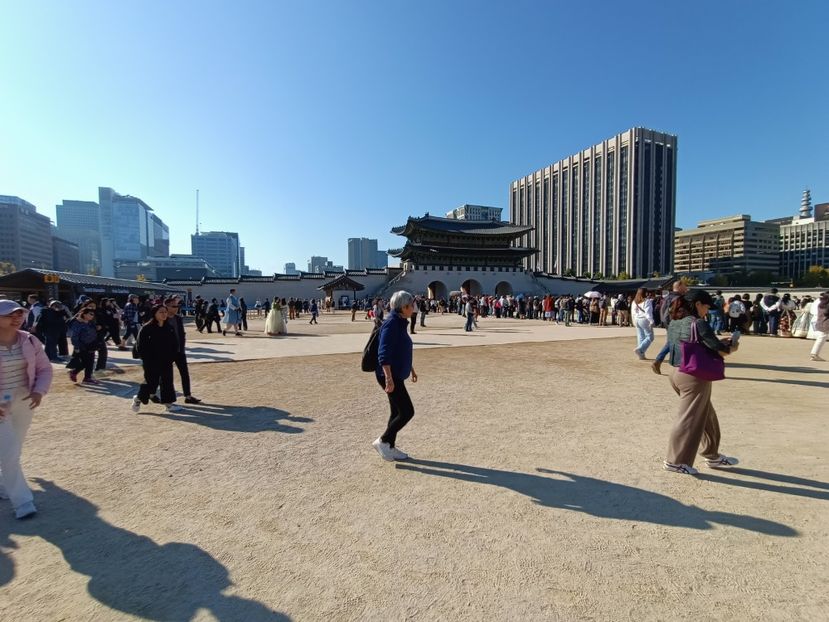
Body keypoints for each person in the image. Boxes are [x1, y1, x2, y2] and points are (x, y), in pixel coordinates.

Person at [663, 290, 738, 475]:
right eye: (706, 306)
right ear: (697, 304)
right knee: (689, 419)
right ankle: (675, 461)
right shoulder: (699, 323)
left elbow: (686, 343)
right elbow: (720, 350)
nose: (707, 310)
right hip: (693, 376)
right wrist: (732, 345)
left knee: (706, 416)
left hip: (676, 372)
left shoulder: (674, 322)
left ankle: (712, 454)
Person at [0, 300, 53, 519]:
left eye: (20, 314)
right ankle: (23, 502)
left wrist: (39, 391)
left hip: (24, 400)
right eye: (9, 314)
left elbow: (45, 369)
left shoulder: (30, 340)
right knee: (10, 451)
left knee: (14, 448)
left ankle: (4, 484)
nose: (17, 318)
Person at [372, 291, 418, 462]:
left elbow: (400, 349)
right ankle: (383, 441)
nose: (414, 307)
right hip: (389, 375)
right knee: (407, 411)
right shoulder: (392, 323)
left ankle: (389, 446)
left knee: (396, 412)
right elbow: (383, 354)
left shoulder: (399, 322)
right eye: (411, 305)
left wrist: (411, 369)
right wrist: (389, 379)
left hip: (395, 373)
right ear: (403, 307)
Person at [131, 305, 180, 413]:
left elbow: (174, 343)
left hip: (166, 360)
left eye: (165, 312)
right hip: (151, 361)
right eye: (161, 312)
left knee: (167, 381)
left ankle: (168, 403)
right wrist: (147, 359)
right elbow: (140, 346)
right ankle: (138, 398)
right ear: (154, 314)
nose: (164, 314)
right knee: (151, 382)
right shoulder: (147, 328)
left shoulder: (169, 327)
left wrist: (172, 356)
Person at [162, 297, 202, 404]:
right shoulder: (162, 320)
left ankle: (188, 396)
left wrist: (182, 347)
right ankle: (166, 399)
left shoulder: (178, 318)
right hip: (167, 352)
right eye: (174, 306)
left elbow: (181, 334)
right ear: (166, 307)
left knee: (185, 373)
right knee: (166, 376)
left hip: (180, 351)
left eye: (177, 306)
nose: (176, 308)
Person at [650, 281, 688, 375]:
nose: (686, 288)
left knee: (671, 341)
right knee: (675, 342)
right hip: (676, 323)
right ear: (679, 286)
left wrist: (665, 323)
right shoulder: (679, 298)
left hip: (668, 323)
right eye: (684, 286)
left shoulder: (667, 297)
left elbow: (662, 311)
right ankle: (662, 361)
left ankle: (660, 361)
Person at [66, 307, 99, 384]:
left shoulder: (90, 323)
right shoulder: (78, 323)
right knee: (86, 362)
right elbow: (74, 336)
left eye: (93, 314)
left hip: (91, 344)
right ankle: (75, 372)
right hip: (82, 345)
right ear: (84, 314)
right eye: (90, 314)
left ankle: (87, 377)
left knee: (90, 361)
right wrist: (77, 347)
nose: (92, 316)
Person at [630, 288, 654, 360]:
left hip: (636, 319)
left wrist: (633, 321)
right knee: (650, 337)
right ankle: (640, 349)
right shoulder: (647, 301)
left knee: (641, 336)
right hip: (644, 319)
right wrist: (651, 321)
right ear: (645, 293)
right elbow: (648, 313)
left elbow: (633, 312)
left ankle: (641, 354)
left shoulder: (634, 301)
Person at [809, 292, 829, 361]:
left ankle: (814, 354)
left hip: (820, 322)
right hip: (826, 323)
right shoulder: (827, 305)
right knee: (822, 338)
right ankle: (814, 354)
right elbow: (827, 313)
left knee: (821, 338)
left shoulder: (821, 304)